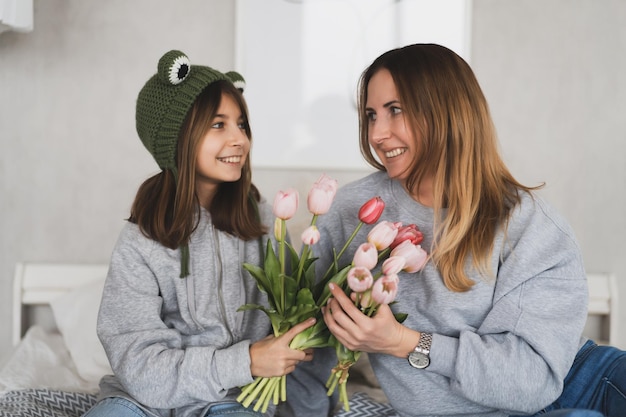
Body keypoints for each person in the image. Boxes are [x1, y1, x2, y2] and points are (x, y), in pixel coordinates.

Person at [285, 44, 626, 417]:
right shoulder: (351, 211)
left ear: (446, 112)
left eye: (394, 111)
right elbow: (305, 333)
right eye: (370, 115)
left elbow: (533, 380)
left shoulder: (529, 224)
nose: (377, 134)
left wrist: (404, 342)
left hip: (578, 382)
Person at [83, 50, 315, 417]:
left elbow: (296, 312)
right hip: (140, 401)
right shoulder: (141, 238)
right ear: (177, 138)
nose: (240, 140)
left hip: (233, 399)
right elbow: (140, 367)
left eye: (242, 124)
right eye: (218, 125)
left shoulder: (264, 223)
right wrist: (245, 361)